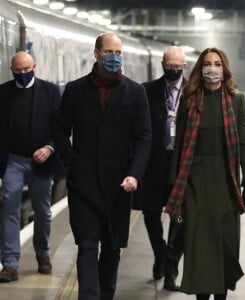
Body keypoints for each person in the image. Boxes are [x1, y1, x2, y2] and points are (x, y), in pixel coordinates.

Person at [54, 32, 152, 300]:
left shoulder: (135, 92)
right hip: (83, 183)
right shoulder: (75, 90)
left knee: (111, 249)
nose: (114, 58)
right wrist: (71, 162)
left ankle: (105, 295)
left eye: (118, 53)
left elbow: (144, 137)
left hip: (119, 185)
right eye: (109, 52)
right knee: (86, 246)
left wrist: (135, 174)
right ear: (96, 53)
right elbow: (60, 131)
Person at [165, 47, 245, 300]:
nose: (212, 68)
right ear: (200, 68)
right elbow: (180, 145)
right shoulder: (190, 99)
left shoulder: (237, 100)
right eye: (207, 63)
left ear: (224, 69)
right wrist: (173, 184)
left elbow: (244, 142)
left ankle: (221, 296)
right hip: (194, 183)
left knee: (225, 247)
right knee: (201, 248)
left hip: (226, 184)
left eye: (217, 64)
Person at [0, 51, 63, 282]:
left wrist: (49, 148)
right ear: (11, 69)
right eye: (18, 70)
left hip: (42, 163)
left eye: (27, 70)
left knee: (43, 212)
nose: (23, 74)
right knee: (9, 209)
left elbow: (60, 128)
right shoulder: (3, 93)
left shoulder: (50, 91)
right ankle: (9, 264)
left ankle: (43, 254)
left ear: (34, 66)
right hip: (13, 161)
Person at [140, 45, 186, 291]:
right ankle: (159, 251)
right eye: (169, 65)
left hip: (180, 167)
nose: (173, 69)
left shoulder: (192, 93)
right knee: (150, 214)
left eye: (177, 66)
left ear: (184, 66)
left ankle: (170, 269)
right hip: (154, 165)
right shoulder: (147, 91)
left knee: (178, 218)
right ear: (162, 64)